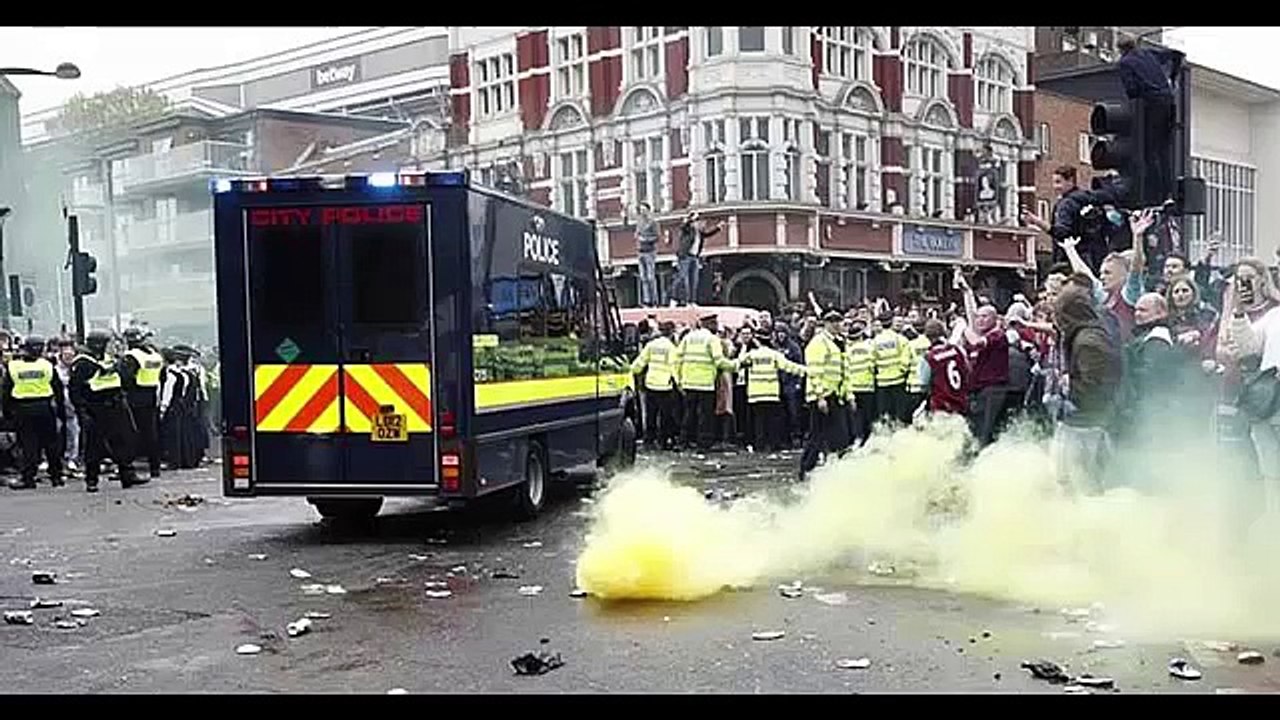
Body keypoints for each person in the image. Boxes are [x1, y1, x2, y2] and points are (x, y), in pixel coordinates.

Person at [1051, 286, 1124, 495]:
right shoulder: (1086, 335)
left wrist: (1068, 385)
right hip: (1083, 419)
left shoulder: (1088, 341)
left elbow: (1096, 387)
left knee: (1081, 480)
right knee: (1070, 478)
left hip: (1087, 422)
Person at [70, 330, 142, 492]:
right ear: (98, 344)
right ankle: (92, 479)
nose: (110, 346)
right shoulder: (83, 363)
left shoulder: (109, 360)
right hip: (95, 407)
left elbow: (122, 378)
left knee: (123, 441)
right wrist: (82, 411)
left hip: (115, 404)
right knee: (93, 446)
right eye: (107, 343)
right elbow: (75, 390)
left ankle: (127, 475)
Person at [1117, 37, 1183, 206]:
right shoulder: (1148, 53)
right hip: (1169, 102)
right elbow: (1177, 55)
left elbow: (1132, 90)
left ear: (1121, 50)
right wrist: (1172, 78)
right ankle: (1169, 193)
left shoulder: (1125, 63)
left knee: (1150, 150)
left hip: (1152, 105)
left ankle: (1155, 195)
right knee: (1164, 150)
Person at [955, 268, 1010, 446]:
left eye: (984, 317)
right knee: (976, 430)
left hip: (992, 390)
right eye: (978, 317)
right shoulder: (984, 331)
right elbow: (973, 318)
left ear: (994, 318)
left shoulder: (997, 335)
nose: (979, 320)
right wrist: (967, 292)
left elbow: (976, 342)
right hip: (978, 390)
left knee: (985, 431)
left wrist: (962, 328)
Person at [3, 336, 66, 490]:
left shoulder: (14, 367)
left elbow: (6, 391)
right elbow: (58, 389)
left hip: (23, 408)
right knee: (51, 444)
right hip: (44, 408)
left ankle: (28, 478)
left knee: (28, 445)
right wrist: (60, 411)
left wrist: (7, 412)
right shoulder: (47, 366)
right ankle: (56, 477)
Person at [1021, 166, 1102, 271]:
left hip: (1070, 259)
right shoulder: (1086, 199)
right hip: (1093, 257)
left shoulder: (1066, 204)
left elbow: (1061, 232)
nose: (1055, 187)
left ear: (1070, 181)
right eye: (1054, 182)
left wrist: (1036, 221)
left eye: (1058, 182)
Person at [738, 331, 807, 453]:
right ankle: (771, 445)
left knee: (759, 422)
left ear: (757, 341)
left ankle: (760, 446)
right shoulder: (775, 355)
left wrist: (744, 346)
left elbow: (740, 361)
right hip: (771, 393)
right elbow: (789, 366)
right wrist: (806, 370)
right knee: (771, 422)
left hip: (755, 394)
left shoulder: (752, 355)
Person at [800, 310, 848, 481]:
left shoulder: (837, 342)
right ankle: (806, 469)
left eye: (838, 320)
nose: (836, 324)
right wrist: (820, 396)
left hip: (834, 394)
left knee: (838, 436)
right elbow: (815, 371)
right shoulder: (818, 342)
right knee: (818, 436)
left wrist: (847, 394)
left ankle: (835, 470)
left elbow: (841, 370)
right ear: (825, 323)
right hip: (822, 395)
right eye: (832, 321)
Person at [675, 313, 734, 451]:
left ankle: (683, 441)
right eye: (715, 323)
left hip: (688, 382)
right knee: (705, 415)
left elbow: (678, 358)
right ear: (710, 324)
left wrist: (679, 379)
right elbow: (719, 361)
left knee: (688, 414)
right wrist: (734, 365)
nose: (716, 326)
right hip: (706, 383)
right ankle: (703, 443)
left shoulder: (688, 338)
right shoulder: (712, 339)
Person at [119, 328, 164, 479]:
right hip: (152, 396)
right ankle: (155, 467)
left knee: (130, 433)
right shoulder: (155, 356)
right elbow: (162, 376)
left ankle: (129, 469)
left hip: (135, 397)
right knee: (151, 434)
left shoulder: (132, 356)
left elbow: (126, 377)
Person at [630, 321, 679, 450]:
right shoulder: (671, 348)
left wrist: (631, 371)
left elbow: (640, 362)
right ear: (671, 333)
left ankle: (649, 440)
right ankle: (662, 441)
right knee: (664, 415)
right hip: (665, 386)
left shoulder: (651, 345)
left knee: (650, 414)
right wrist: (679, 383)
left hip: (650, 384)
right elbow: (673, 367)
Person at [919, 319, 971, 417]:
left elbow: (924, 383)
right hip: (961, 403)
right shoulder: (957, 350)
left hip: (941, 405)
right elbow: (968, 370)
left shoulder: (929, 357)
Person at [669, 212, 723, 306]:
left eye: (700, 221)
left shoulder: (699, 233)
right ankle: (674, 298)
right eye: (697, 221)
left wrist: (718, 228)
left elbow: (708, 234)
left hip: (694, 257)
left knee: (693, 280)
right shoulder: (688, 230)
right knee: (682, 278)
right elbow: (683, 226)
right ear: (693, 223)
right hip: (685, 256)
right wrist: (689, 219)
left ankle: (691, 301)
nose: (700, 223)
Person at [871, 311, 909, 426]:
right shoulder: (900, 339)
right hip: (898, 381)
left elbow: (872, 360)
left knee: (885, 414)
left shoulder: (874, 341)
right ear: (892, 322)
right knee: (899, 413)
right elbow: (906, 359)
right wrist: (902, 371)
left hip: (882, 382)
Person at [843, 318, 877, 446]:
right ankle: (868, 442)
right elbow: (873, 365)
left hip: (852, 388)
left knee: (856, 417)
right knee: (868, 418)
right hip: (867, 386)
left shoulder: (847, 350)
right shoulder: (870, 347)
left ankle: (857, 441)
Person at [634, 202, 660, 307]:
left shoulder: (653, 222)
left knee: (650, 277)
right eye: (641, 210)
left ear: (648, 210)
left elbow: (657, 236)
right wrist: (637, 238)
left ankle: (654, 300)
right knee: (643, 277)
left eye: (644, 210)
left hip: (650, 251)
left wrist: (645, 239)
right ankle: (646, 300)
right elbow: (637, 234)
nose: (642, 212)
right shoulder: (639, 222)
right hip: (640, 251)